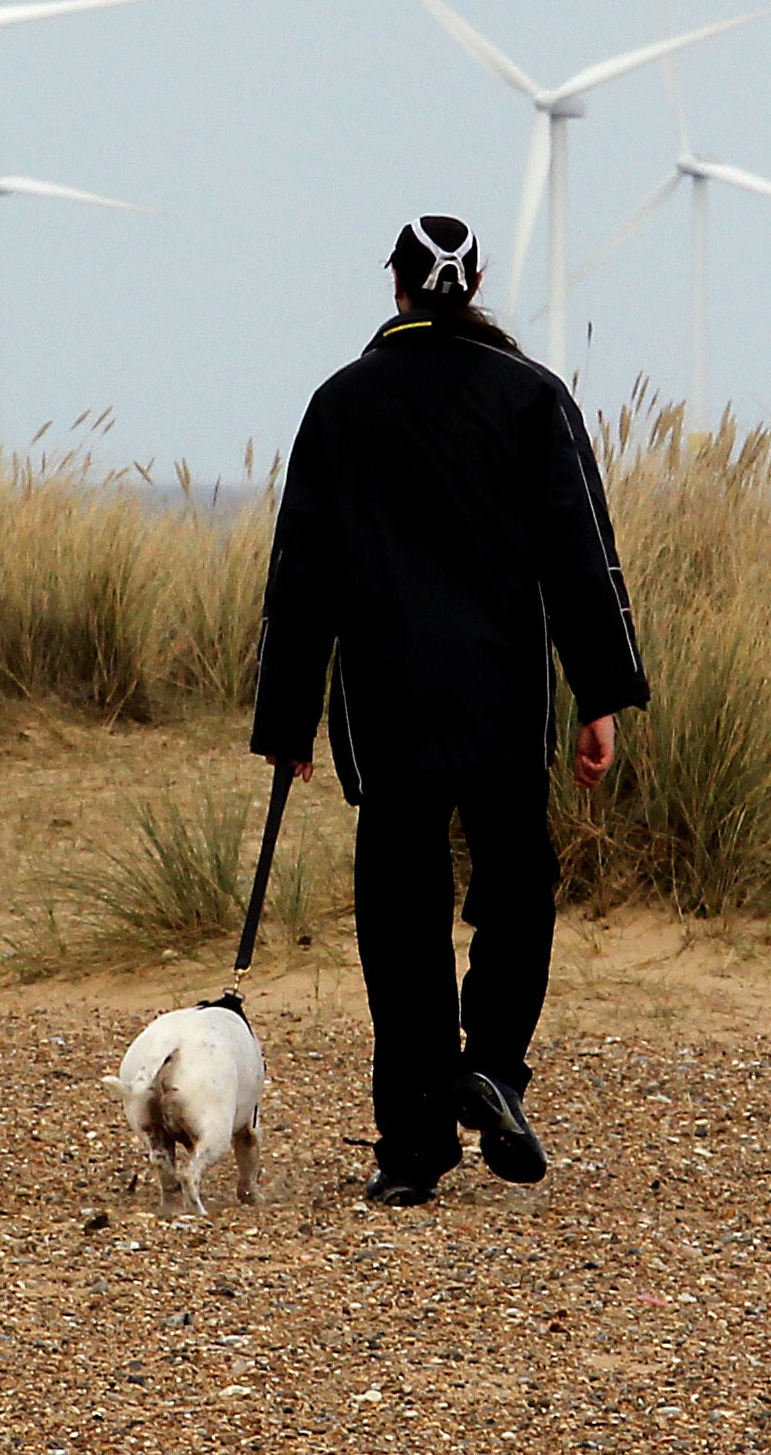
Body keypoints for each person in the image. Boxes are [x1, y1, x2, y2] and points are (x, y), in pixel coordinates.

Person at [250, 213, 649, 1207]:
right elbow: (580, 554)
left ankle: (411, 1150)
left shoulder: (341, 404)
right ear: (472, 285)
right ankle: (497, 1067)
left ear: (396, 286)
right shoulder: (530, 398)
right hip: (505, 703)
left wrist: (288, 724)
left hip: (388, 709)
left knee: (402, 921)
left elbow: (302, 574)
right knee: (518, 889)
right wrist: (602, 693)